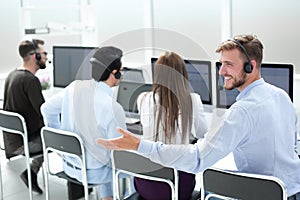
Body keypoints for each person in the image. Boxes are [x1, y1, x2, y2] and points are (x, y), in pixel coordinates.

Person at [96, 34, 300, 199]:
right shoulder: (281, 95)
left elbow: (198, 158)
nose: (221, 72)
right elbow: (293, 144)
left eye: (229, 64)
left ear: (251, 66)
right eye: (221, 64)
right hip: (291, 190)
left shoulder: (241, 112)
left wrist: (138, 145)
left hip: (263, 194)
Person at [41, 46, 126, 200]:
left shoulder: (73, 87)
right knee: (135, 167)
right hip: (95, 173)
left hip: (69, 166)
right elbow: (118, 153)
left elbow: (46, 109)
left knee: (101, 153)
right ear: (115, 73)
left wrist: (60, 142)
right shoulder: (113, 108)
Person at [134, 51, 208, 199]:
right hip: (177, 187)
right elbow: (203, 135)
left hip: (146, 184)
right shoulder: (193, 100)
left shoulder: (142, 99)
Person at [3, 39, 48, 194]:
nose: (46, 57)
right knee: (66, 138)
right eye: (44, 54)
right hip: (26, 144)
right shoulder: (30, 80)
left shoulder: (12, 75)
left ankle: (31, 174)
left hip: (11, 143)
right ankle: (79, 181)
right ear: (34, 56)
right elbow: (44, 113)